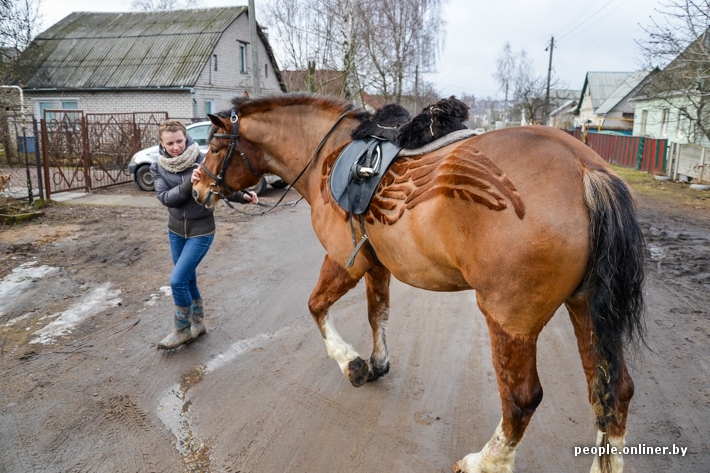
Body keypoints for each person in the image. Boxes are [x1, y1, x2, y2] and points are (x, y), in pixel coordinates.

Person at [151, 119, 258, 350]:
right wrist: (190, 184)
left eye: (180, 141)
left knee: (177, 280)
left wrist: (243, 196)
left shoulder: (203, 159)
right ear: (161, 143)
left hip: (201, 231)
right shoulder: (157, 166)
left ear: (186, 138)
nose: (176, 146)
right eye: (170, 143)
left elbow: (221, 186)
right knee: (188, 279)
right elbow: (166, 199)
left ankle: (181, 329)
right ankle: (197, 324)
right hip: (176, 231)